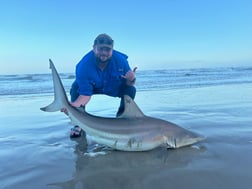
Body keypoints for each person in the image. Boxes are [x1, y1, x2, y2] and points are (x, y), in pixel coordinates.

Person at [65, 33, 137, 138]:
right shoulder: (83, 66)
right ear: (94, 48)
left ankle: (122, 120)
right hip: (92, 88)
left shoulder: (121, 61)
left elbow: (128, 84)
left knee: (131, 90)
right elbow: (85, 94)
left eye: (107, 49)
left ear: (112, 50)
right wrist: (73, 106)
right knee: (76, 87)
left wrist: (132, 79)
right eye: (100, 49)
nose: (103, 53)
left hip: (113, 88)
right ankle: (78, 123)